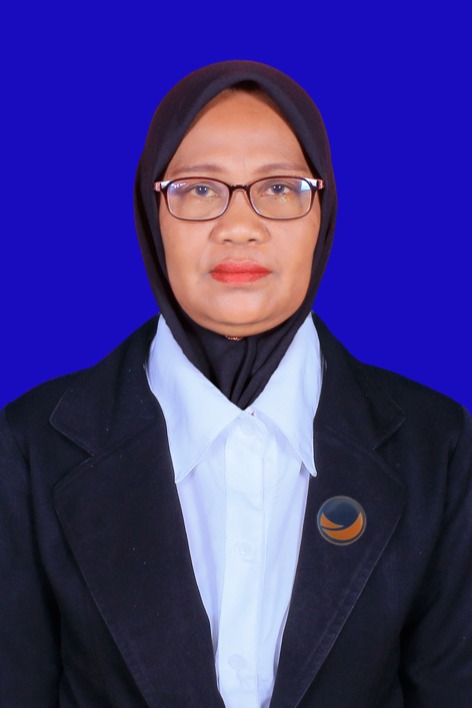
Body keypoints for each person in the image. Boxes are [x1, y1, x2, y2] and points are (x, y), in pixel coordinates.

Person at [1, 60, 471, 708]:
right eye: (199, 189)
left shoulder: (438, 448)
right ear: (152, 212)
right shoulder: (29, 447)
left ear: (323, 212)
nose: (240, 225)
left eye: (279, 188)